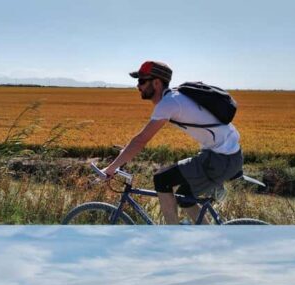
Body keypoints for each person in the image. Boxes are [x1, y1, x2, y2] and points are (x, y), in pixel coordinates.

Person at [101, 61, 243, 224]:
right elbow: (138, 141)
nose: (137, 86)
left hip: (221, 159)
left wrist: (112, 168)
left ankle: (171, 237)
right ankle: (208, 238)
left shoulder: (169, 103)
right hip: (223, 156)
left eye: (141, 81)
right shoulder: (175, 98)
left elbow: (141, 140)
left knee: (162, 179)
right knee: (185, 198)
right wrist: (123, 155)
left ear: (156, 82)